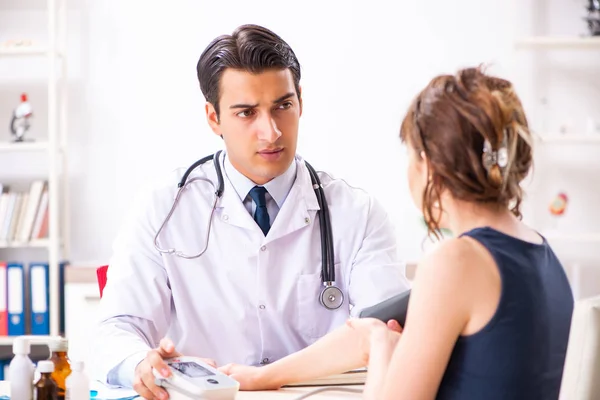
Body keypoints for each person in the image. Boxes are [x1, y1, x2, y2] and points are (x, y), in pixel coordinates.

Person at [90, 24, 411, 398]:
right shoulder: (163, 209)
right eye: (246, 113)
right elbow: (114, 329)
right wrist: (139, 362)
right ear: (214, 118)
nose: (271, 131)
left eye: (283, 106)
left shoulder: (357, 213)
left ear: (300, 101)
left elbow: (387, 330)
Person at [218, 67, 575, 400]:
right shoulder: (540, 252)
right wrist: (262, 377)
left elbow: (375, 338)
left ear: (429, 165)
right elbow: (363, 329)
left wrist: (381, 345)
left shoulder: (455, 262)